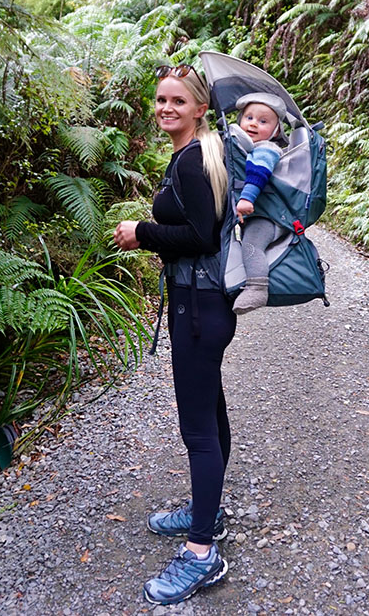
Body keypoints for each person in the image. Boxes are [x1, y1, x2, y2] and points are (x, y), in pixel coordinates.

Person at [113, 63, 234, 606]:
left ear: (200, 108)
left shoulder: (193, 160)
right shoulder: (198, 152)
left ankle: (202, 552)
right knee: (211, 411)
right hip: (204, 305)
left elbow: (203, 236)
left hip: (198, 308)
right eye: (161, 100)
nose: (166, 108)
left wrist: (142, 232)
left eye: (178, 101)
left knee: (198, 430)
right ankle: (210, 511)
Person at [230, 92, 289, 315]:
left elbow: (258, 173)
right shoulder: (246, 149)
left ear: (276, 131)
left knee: (251, 244)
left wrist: (247, 197)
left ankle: (257, 288)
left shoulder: (266, 149)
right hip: (262, 214)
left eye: (263, 121)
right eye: (249, 118)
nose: (254, 124)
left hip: (271, 217)